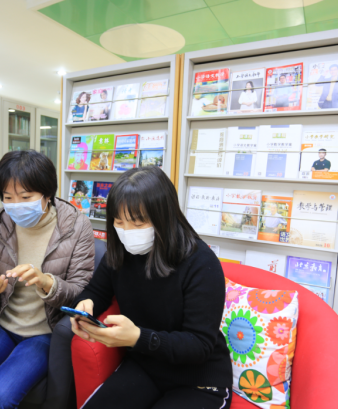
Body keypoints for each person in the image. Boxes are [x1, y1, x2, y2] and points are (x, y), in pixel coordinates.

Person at [70, 166, 232, 409]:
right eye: (119, 221)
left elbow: (199, 345)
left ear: (163, 217)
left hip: (198, 380)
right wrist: (85, 307)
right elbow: (96, 292)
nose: (126, 231)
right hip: (144, 367)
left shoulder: (201, 263)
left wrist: (138, 337)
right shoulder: (120, 252)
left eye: (138, 222)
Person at [0, 150, 95, 409]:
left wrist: (46, 282)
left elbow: (81, 290)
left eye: (26, 197)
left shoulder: (76, 227)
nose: (16, 205)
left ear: (47, 194)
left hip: (44, 333)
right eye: (8, 197)